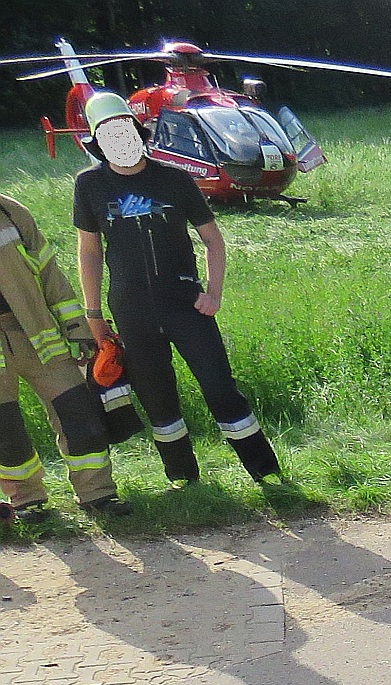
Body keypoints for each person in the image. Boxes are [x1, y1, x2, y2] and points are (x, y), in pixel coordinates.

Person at [72, 93, 282, 487]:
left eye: (125, 130)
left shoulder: (174, 177)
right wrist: (93, 313)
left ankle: (265, 472)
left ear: (139, 131)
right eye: (109, 134)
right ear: (97, 143)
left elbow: (213, 241)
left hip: (185, 304)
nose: (119, 140)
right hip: (131, 310)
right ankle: (183, 478)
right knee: (157, 396)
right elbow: (88, 250)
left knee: (219, 386)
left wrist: (214, 293)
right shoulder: (89, 184)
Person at [0, 189, 129, 522]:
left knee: (78, 411)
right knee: (4, 428)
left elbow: (49, 274)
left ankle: (97, 495)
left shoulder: (10, 212)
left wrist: (76, 328)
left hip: (35, 331)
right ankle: (27, 501)